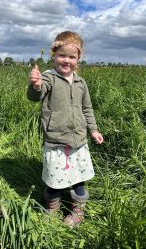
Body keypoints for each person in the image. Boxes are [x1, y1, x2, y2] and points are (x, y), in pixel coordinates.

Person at [27, 31, 103, 227]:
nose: (66, 60)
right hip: (56, 140)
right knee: (53, 181)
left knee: (78, 180)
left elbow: (87, 108)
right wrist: (35, 85)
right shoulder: (48, 78)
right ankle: (52, 207)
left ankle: (78, 211)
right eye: (62, 55)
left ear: (79, 59)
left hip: (79, 140)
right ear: (54, 55)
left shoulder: (80, 82)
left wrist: (93, 130)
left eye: (72, 57)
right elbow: (36, 95)